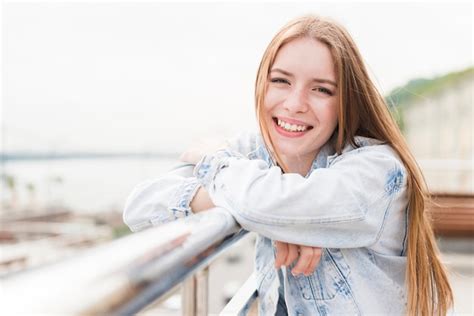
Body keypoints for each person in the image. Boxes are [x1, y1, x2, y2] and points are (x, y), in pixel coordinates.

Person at [123, 15, 453, 315]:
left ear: (346, 101)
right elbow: (140, 206)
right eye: (281, 81)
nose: (295, 104)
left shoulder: (378, 171)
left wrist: (228, 174)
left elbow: (269, 202)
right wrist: (277, 215)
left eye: (321, 89)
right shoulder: (258, 152)